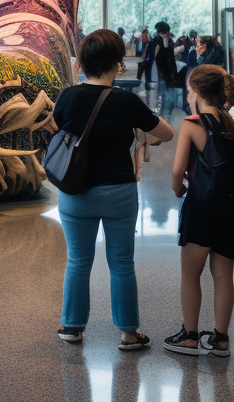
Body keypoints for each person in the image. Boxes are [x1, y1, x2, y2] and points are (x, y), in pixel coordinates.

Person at [53, 29, 174, 350]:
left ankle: (71, 328)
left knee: (77, 262)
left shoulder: (67, 97)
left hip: (76, 192)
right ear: (117, 63)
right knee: (122, 263)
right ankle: (129, 333)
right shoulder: (126, 101)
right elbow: (168, 133)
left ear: (83, 62)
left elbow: (61, 128)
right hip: (118, 192)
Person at [164, 65, 234, 357]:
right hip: (230, 209)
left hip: (201, 207)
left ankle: (190, 336)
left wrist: (177, 189)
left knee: (190, 273)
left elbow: (178, 170)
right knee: (224, 276)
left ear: (195, 91)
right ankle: (221, 339)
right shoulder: (231, 123)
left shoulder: (192, 125)